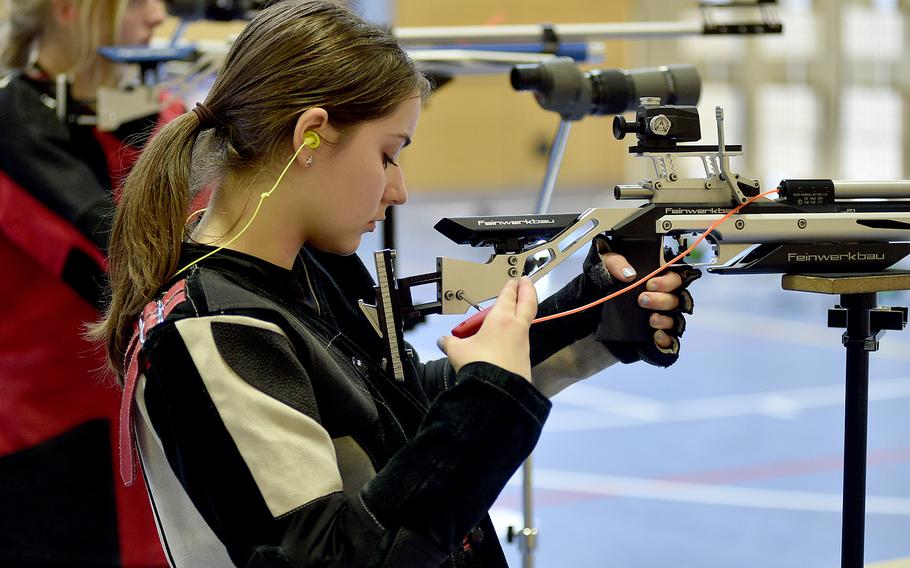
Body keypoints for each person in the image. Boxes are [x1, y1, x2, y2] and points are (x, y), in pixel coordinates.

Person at [93, 1, 700, 566]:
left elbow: (392, 420)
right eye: (388, 154)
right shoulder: (215, 330)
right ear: (310, 136)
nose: (398, 188)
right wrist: (488, 400)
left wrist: (594, 316)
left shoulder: (312, 268)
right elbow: (333, 554)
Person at [0, 0, 172, 565]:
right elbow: (112, 264)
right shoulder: (15, 127)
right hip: (49, 442)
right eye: (141, 1)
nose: (157, 17)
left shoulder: (157, 119)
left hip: (150, 436)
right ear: (72, 8)